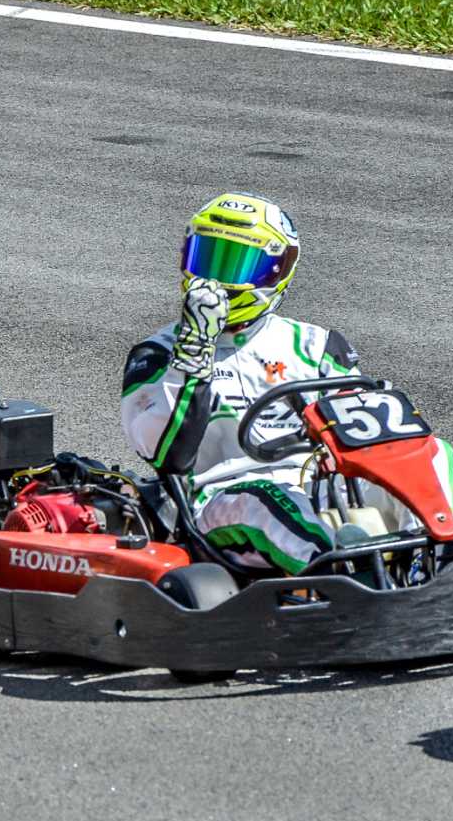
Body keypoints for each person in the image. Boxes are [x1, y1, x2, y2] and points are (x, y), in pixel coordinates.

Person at [121, 191, 409, 575]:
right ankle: (345, 575)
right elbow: (166, 454)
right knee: (268, 501)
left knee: (428, 461)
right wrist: (195, 352)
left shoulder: (315, 344)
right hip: (223, 500)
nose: (217, 280)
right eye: (208, 259)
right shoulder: (157, 354)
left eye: (237, 265)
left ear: (276, 270)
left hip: (321, 485)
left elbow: (365, 430)